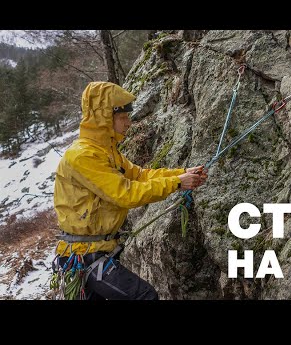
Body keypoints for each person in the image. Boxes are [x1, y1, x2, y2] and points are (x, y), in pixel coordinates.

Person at [52, 81, 207, 300]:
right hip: (84, 255)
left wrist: (181, 173)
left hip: (94, 253)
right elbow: (125, 194)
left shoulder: (106, 152)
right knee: (144, 296)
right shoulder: (83, 156)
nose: (128, 123)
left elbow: (140, 175)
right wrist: (177, 183)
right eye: (123, 117)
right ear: (106, 117)